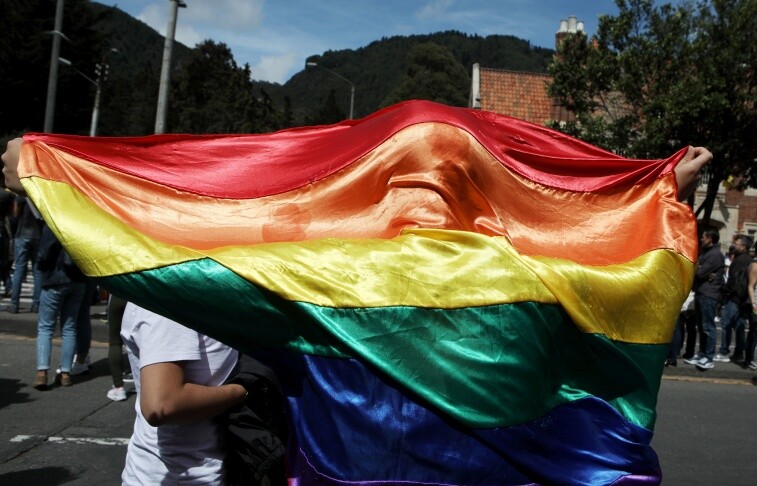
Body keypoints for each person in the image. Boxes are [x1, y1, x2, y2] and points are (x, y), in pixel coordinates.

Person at [120, 302, 247, 484]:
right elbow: (163, 405)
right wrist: (243, 390)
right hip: (175, 475)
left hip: (217, 465)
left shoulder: (208, 290)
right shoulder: (167, 301)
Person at [33, 224, 87, 389]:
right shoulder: (81, 223)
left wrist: (42, 266)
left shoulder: (54, 220)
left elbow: (44, 252)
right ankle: (65, 373)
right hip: (78, 280)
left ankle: (42, 373)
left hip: (55, 278)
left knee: (45, 327)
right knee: (69, 328)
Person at [685, 228, 725, 370]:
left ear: (710, 239)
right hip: (702, 293)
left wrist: (698, 267)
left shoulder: (714, 255)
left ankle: (708, 357)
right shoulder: (707, 253)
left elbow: (700, 273)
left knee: (708, 327)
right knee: (702, 326)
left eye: (703, 237)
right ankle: (702, 354)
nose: (701, 239)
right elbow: (698, 268)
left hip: (709, 295)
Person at [714, 235, 753, 363]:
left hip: (734, 298)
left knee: (726, 324)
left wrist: (725, 291)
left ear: (743, 247)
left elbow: (733, 281)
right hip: (744, 299)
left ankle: (724, 351)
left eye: (736, 244)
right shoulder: (749, 259)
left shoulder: (740, 260)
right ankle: (738, 353)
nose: (733, 246)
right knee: (739, 326)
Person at [8, 195, 43, 313]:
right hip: (37, 235)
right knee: (37, 271)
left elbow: (16, 214)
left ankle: (14, 304)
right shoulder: (39, 193)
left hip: (22, 234)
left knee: (19, 269)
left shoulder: (22, 195)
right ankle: (36, 304)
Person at [105, 294, 128, 401]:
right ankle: (146, 384)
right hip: (141, 294)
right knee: (143, 342)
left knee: (115, 342)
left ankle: (118, 387)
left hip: (118, 293)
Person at [741, 242, 757, 369]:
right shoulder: (755, 266)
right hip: (756, 304)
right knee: (754, 334)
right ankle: (748, 359)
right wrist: (754, 304)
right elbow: (750, 286)